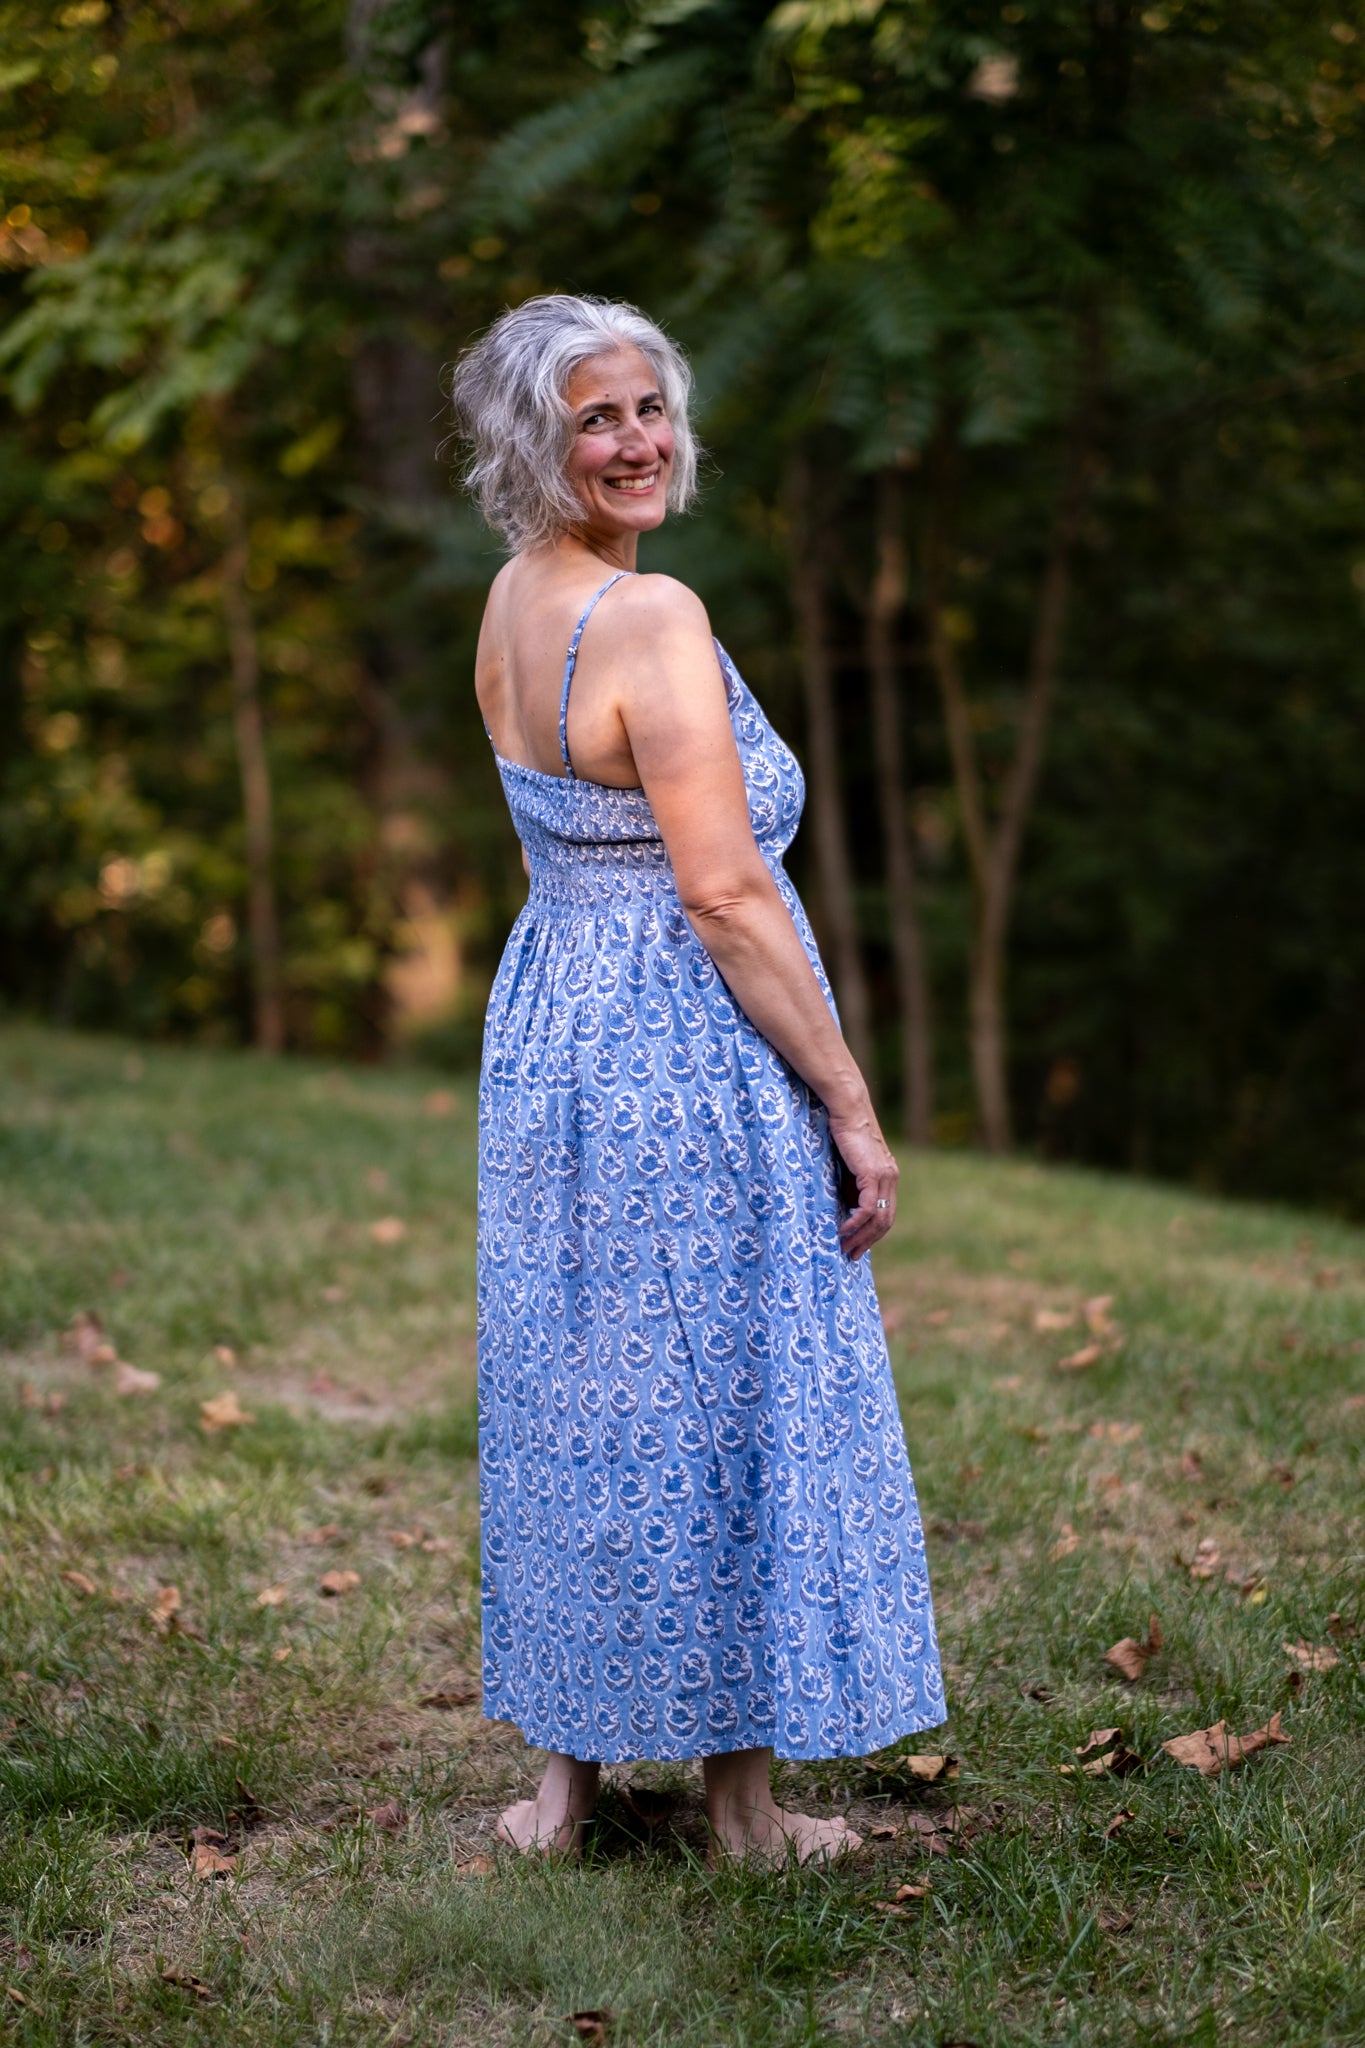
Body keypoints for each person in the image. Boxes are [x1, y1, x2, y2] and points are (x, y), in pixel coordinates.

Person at [451, 293, 943, 1864]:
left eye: (649, 407)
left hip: (553, 1030)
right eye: (594, 418)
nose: (637, 441)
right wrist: (849, 1104)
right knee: (724, 1389)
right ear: (530, 444)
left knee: (582, 1389)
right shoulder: (648, 616)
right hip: (678, 1045)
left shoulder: (513, 600)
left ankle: (564, 1794)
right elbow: (721, 892)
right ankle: (740, 1813)